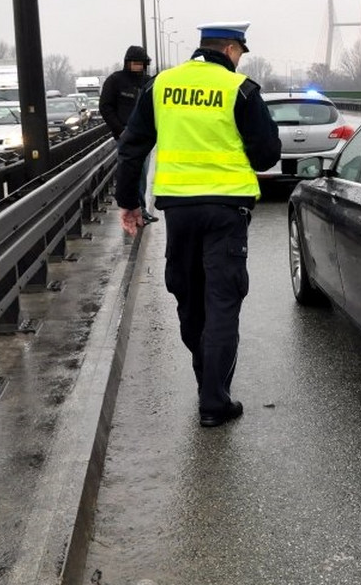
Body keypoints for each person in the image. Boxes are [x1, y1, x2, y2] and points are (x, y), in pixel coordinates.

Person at [114, 21, 281, 428]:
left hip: (180, 212)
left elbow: (132, 146)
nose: (240, 60)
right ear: (228, 49)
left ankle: (206, 384)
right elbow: (266, 156)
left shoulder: (161, 86)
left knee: (190, 300)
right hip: (227, 211)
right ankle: (214, 400)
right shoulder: (239, 89)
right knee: (222, 301)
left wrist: (129, 203)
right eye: (240, 52)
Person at [101, 45, 159, 224]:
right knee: (135, 170)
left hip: (145, 135)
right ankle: (136, 208)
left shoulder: (149, 82)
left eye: (140, 64)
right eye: (134, 63)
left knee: (142, 172)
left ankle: (138, 207)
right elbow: (106, 107)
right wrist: (120, 130)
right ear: (127, 63)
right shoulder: (115, 81)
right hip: (125, 135)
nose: (137, 67)